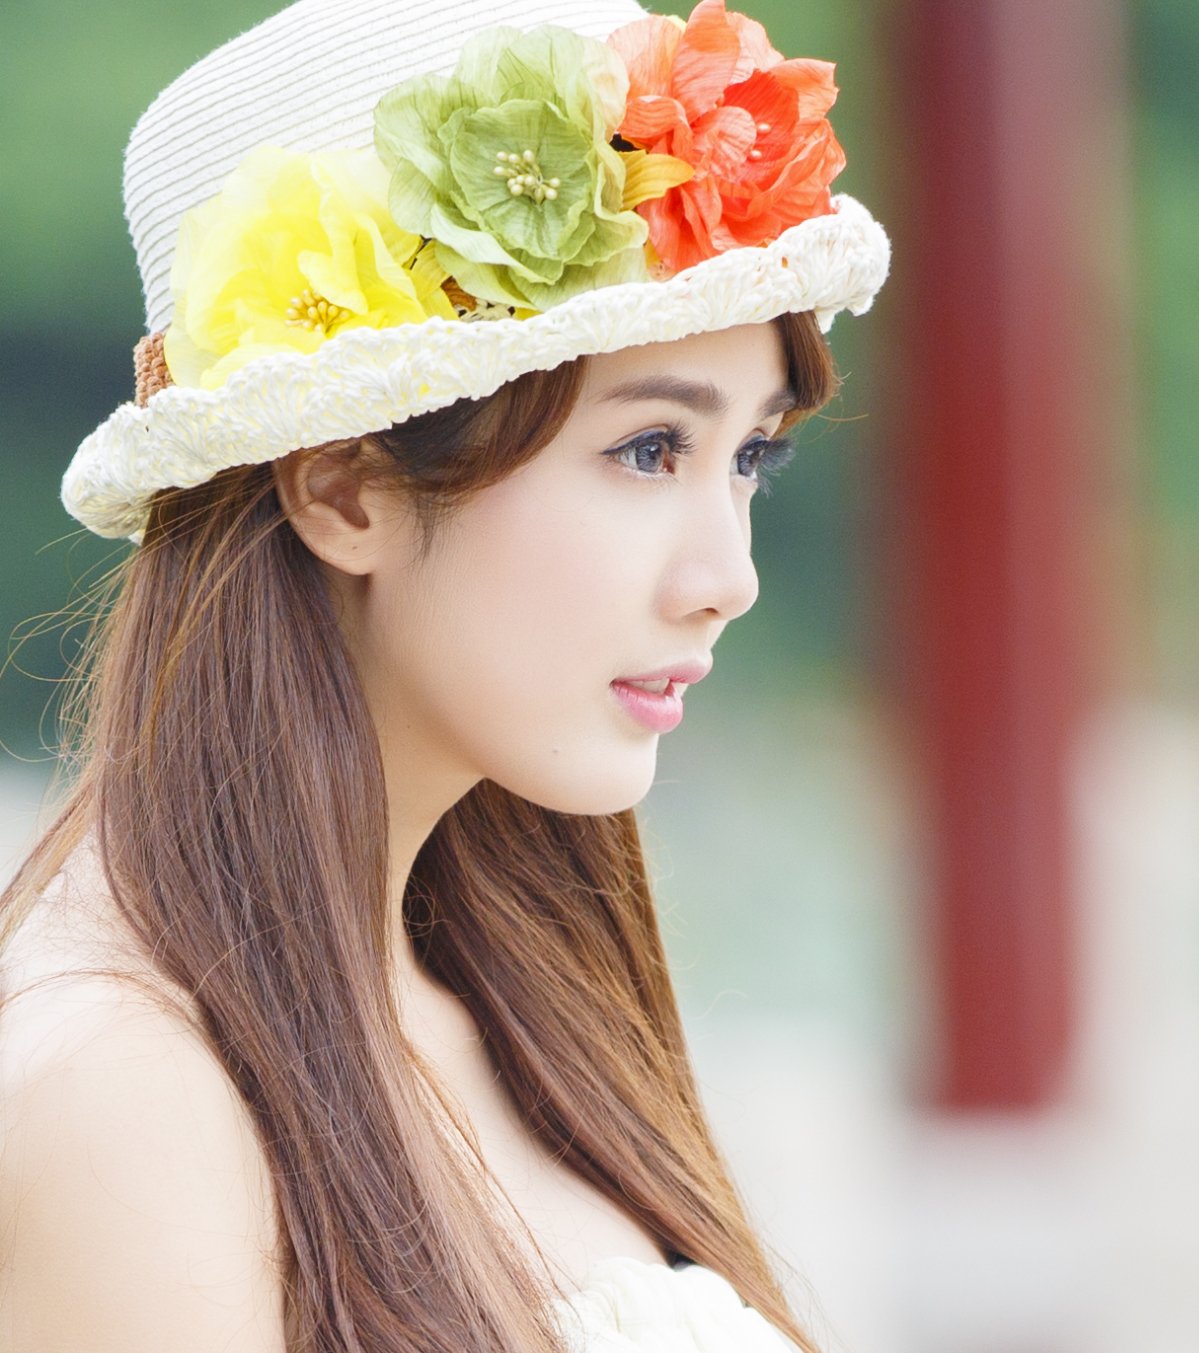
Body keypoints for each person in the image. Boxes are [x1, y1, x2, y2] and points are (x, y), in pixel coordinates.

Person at [0, 0, 889, 1348]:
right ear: (342, 486)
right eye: (650, 450)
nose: (729, 573)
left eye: (750, 456)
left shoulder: (505, 985)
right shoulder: (122, 1095)